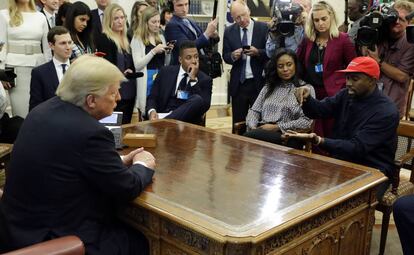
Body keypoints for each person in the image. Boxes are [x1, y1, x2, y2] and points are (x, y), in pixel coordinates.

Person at [0, 55, 156, 255]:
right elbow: (126, 187)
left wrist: (116, 162)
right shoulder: (91, 133)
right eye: (114, 92)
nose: (118, 98)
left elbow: (63, 160)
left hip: (15, 231)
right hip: (57, 239)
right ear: (91, 100)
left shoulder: (41, 112)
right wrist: (142, 165)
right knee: (143, 242)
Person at [284, 56, 399, 199]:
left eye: (354, 79)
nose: (349, 83)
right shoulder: (346, 95)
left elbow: (357, 148)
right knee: (301, 188)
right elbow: (320, 110)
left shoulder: (386, 112)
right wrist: (307, 99)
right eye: (347, 78)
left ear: (372, 80)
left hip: (373, 170)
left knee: (346, 204)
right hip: (341, 161)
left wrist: (319, 141)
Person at [297, 1, 356, 139]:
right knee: (312, 133)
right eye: (316, 20)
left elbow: (352, 67)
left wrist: (345, 89)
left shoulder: (343, 39)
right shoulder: (308, 39)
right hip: (311, 92)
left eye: (324, 19)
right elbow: (298, 63)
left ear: (331, 17)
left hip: (333, 94)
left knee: (329, 135)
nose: (320, 23)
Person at [244, 48, 314, 149]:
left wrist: (278, 127)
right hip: (261, 132)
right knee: (249, 139)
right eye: (280, 66)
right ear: (275, 68)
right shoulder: (268, 87)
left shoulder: (306, 89)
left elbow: (306, 122)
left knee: (245, 140)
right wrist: (253, 126)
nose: (285, 69)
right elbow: (254, 111)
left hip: (288, 135)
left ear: (295, 65)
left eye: (289, 64)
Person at [362, 0, 414, 118]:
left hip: (391, 106)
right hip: (368, 102)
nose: (396, 21)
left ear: (409, 22)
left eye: (401, 19)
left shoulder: (411, 43)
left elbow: (402, 76)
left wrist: (377, 60)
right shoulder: (378, 34)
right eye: (393, 17)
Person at [0, 0, 52, 118]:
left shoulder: (40, 16)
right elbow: (1, 45)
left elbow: (47, 48)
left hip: (39, 69)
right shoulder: (4, 15)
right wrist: (1, 73)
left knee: (41, 112)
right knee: (21, 113)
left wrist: (50, 71)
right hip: (16, 70)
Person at [223, 0, 268, 131]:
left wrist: (257, 52)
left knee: (258, 124)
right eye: (237, 17)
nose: (242, 20)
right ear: (232, 18)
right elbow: (225, 56)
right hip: (239, 85)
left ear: (249, 11)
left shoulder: (263, 28)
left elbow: (272, 53)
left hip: (258, 83)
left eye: (243, 15)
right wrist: (232, 56)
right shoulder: (229, 31)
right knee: (238, 124)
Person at [146, 40, 212, 124]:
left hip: (187, 123)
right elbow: (152, 97)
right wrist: (152, 111)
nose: (194, 61)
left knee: (197, 99)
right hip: (162, 114)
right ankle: (165, 121)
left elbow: (204, 106)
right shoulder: (165, 72)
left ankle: (165, 122)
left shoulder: (205, 79)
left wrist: (193, 79)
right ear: (180, 60)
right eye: (189, 58)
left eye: (196, 57)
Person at [96, 4, 138, 124]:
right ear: (109, 20)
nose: (120, 21)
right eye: (116, 18)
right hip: (114, 89)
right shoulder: (104, 39)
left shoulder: (127, 37)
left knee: (126, 125)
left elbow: (130, 62)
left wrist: (130, 69)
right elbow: (105, 66)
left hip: (129, 88)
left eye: (122, 17)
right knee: (114, 126)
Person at [131, 7, 172, 116]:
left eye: (158, 21)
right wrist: (153, 51)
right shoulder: (137, 39)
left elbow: (166, 64)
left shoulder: (161, 37)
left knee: (159, 110)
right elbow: (138, 65)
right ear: (145, 22)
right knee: (146, 112)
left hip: (160, 77)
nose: (157, 25)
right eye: (153, 22)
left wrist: (168, 52)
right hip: (146, 79)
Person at [164, 0, 218, 67]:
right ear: (171, 7)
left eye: (186, 4)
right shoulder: (172, 25)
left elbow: (204, 43)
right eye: (180, 5)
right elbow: (187, 48)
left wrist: (213, 36)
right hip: (186, 68)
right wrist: (207, 33)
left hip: (201, 65)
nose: (184, 9)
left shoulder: (189, 21)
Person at [29, 26, 72, 111]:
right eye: (63, 43)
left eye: (70, 42)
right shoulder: (39, 73)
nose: (68, 47)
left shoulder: (80, 69)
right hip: (51, 120)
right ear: (51, 45)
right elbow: (35, 107)